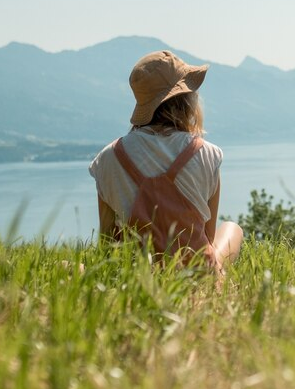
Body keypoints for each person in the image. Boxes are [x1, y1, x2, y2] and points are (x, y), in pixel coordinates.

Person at [89, 50, 243, 272]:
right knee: (231, 228)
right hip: (196, 273)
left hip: (137, 277)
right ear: (186, 99)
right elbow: (207, 239)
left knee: (68, 266)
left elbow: (107, 243)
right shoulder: (208, 153)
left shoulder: (108, 157)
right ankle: (220, 280)